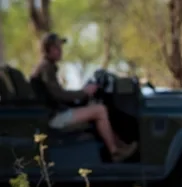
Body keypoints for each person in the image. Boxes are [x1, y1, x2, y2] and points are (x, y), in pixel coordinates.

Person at [30, 33, 137, 162]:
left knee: (94, 106)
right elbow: (58, 94)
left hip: (56, 112)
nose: (60, 51)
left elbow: (58, 94)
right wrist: (84, 92)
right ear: (49, 49)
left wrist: (82, 94)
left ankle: (119, 146)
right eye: (57, 48)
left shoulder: (46, 66)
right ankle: (115, 152)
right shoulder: (46, 68)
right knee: (100, 110)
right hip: (55, 117)